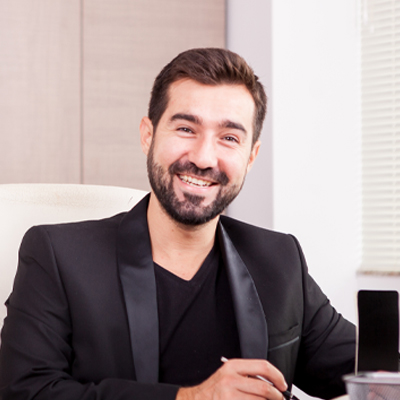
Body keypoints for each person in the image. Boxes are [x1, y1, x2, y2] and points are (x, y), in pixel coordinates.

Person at [0, 48, 355, 400]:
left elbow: (370, 371)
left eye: (229, 138)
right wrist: (191, 398)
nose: (203, 158)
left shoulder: (279, 259)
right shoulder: (58, 256)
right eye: (186, 129)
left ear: (251, 156)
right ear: (148, 135)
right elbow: (25, 391)